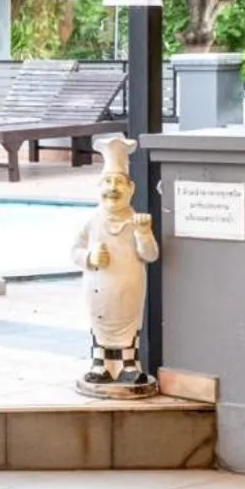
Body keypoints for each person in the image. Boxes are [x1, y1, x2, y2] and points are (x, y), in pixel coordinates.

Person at [72, 135, 160, 396]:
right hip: (99, 291)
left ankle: (128, 365)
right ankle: (102, 365)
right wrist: (89, 256)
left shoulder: (136, 221)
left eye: (119, 182)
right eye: (108, 182)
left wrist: (144, 233)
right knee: (101, 326)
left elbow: (151, 254)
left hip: (129, 292)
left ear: (131, 189)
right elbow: (74, 251)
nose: (113, 188)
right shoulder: (92, 221)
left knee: (128, 327)